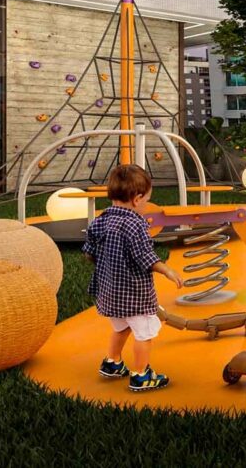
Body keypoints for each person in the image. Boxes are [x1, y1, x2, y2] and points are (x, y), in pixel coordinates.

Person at [82, 164, 182, 392]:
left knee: (121, 327)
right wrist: (166, 270)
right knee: (144, 333)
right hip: (134, 294)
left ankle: (112, 362)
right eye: (147, 200)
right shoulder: (135, 223)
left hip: (109, 291)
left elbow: (89, 252)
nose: (146, 204)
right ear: (137, 199)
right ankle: (140, 375)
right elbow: (144, 256)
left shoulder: (101, 219)